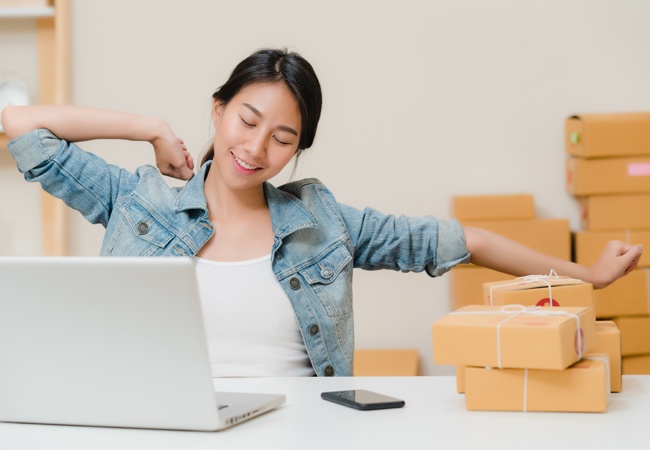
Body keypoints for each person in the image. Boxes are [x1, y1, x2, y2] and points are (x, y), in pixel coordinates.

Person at [2, 48, 643, 378]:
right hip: (165, 427)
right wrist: (147, 127)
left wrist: (585, 276)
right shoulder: (138, 200)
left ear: (297, 150)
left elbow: (458, 240)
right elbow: (19, 124)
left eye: (282, 138)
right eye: (247, 120)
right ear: (219, 109)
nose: (255, 148)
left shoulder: (323, 222)